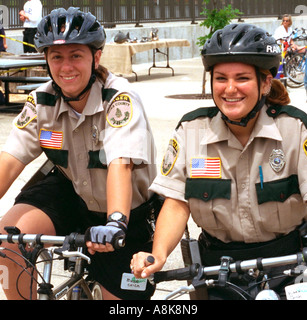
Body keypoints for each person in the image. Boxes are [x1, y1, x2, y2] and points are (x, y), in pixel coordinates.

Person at [131, 23, 307, 300]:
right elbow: (177, 202)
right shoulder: (192, 130)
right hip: (217, 272)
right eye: (221, 78)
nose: (230, 89)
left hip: (287, 267)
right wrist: (158, 254)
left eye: (242, 78)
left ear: (265, 83)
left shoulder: (296, 129)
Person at [0, 7, 162, 300]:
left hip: (127, 213)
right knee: (7, 241)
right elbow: (10, 160)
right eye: (56, 57)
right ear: (46, 60)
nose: (66, 67)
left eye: (76, 55)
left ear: (96, 57)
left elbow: (120, 166)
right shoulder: (42, 101)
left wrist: (114, 223)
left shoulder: (119, 99)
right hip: (72, 195)